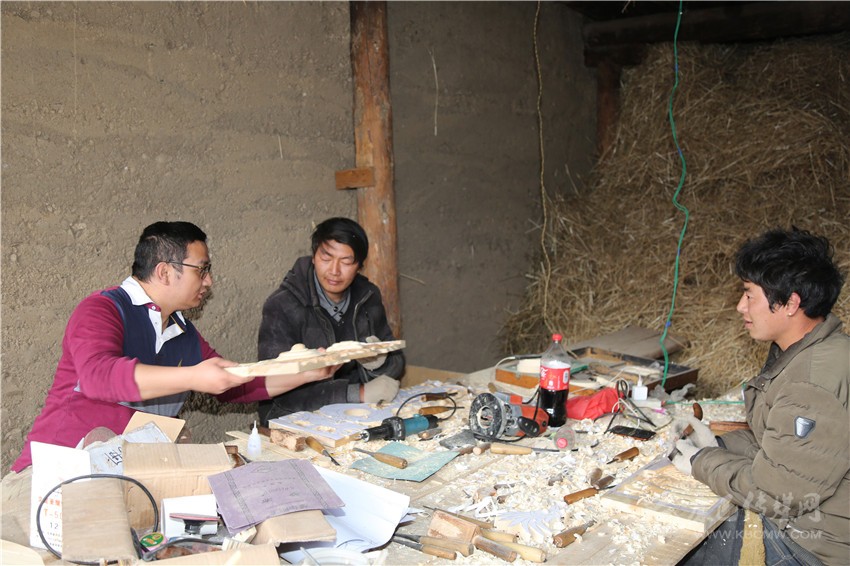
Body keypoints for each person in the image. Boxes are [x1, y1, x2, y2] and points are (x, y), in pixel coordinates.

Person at [11, 221, 335, 472]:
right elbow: (100, 376)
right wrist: (193, 377)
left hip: (123, 476)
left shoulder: (183, 332)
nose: (209, 281)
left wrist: (307, 372)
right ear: (165, 272)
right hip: (54, 476)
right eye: (202, 269)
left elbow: (235, 384)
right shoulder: (102, 309)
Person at [672, 227, 849, 566]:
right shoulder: (817, 351)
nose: (741, 306)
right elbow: (784, 446)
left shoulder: (811, 384)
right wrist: (719, 444)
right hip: (812, 525)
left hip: (810, 547)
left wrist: (701, 462)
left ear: (790, 303)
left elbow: (777, 493)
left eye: (749, 295)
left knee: (679, 542)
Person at [257, 217, 405, 425]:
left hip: (357, 413)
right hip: (293, 418)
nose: (334, 271)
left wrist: (380, 364)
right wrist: (357, 393)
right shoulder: (283, 305)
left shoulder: (367, 296)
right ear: (314, 257)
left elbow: (397, 361)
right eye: (326, 258)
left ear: (360, 266)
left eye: (346, 262)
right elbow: (276, 385)